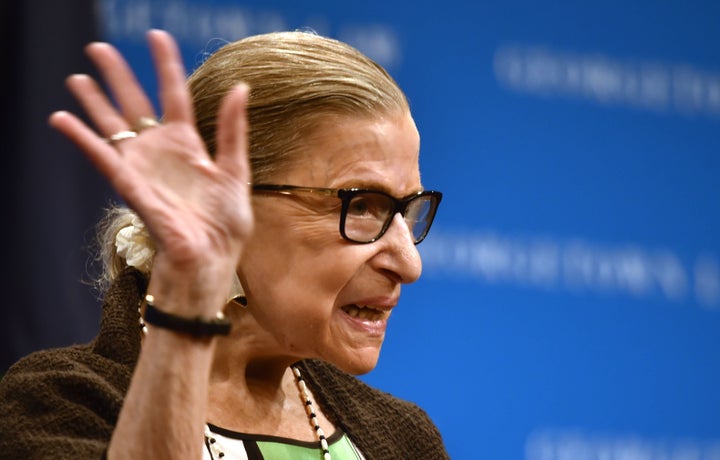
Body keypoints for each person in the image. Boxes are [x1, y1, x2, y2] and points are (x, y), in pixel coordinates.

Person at [0, 28, 447, 459]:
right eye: (363, 205)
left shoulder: (406, 439)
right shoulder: (58, 407)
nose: (409, 265)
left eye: (408, 211)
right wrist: (188, 292)